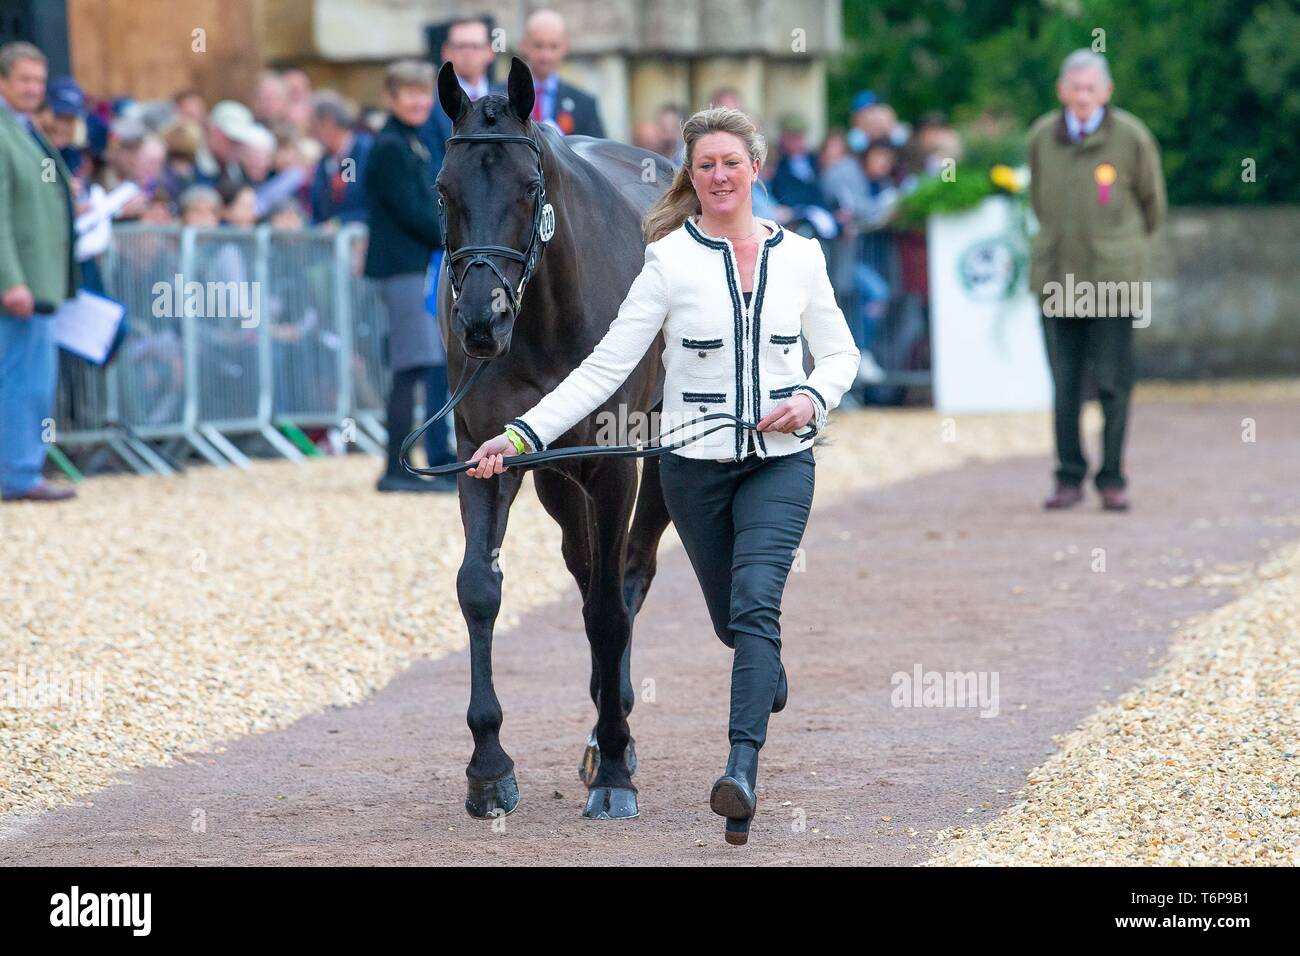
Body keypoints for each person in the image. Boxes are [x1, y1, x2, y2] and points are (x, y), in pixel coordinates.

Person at [464, 107, 860, 844]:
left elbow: (841, 354)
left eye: (731, 164)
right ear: (692, 175)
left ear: (754, 170)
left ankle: (739, 771)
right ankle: (757, 656)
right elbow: (605, 368)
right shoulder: (668, 262)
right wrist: (519, 434)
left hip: (780, 462)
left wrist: (811, 396)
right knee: (733, 622)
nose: (719, 176)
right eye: (705, 165)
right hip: (692, 467)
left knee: (754, 608)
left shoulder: (801, 256)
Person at [1029, 49, 1166, 512]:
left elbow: (1153, 205)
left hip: (1112, 282)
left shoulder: (1131, 137)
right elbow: (1038, 202)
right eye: (1075, 87)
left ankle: (1112, 478)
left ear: (1106, 91)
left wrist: (1117, 248)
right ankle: (1068, 477)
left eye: (1092, 88)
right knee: (1065, 385)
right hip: (1056, 278)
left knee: (1113, 383)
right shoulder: (1042, 137)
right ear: (1062, 90)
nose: (1083, 96)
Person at [364, 60, 456, 493]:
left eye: (424, 93)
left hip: (415, 267)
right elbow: (414, 213)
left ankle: (406, 462)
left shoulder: (410, 141)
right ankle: (395, 468)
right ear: (391, 98)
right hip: (402, 267)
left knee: (420, 363)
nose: (419, 101)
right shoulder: (389, 147)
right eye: (410, 93)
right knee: (410, 365)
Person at [0, 42, 80, 503]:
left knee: (31, 379)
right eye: (24, 80)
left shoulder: (27, 129)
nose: (33, 89)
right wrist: (11, 279)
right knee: (22, 380)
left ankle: (22, 466)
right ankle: (19, 472)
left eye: (37, 81)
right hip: (21, 283)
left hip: (40, 278)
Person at [517, 8, 606, 137]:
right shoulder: (499, 96)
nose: (545, 56)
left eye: (553, 46)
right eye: (538, 45)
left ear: (565, 47)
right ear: (524, 45)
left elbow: (598, 153)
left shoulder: (584, 104)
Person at [309, 90, 371, 226]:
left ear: (328, 122)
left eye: (314, 126)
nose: (312, 134)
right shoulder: (324, 163)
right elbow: (319, 212)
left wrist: (339, 223)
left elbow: (373, 206)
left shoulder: (368, 152)